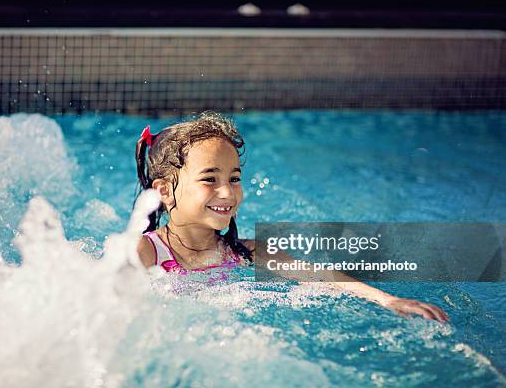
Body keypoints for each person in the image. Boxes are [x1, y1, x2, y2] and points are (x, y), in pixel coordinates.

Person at [134, 111, 449, 322]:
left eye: (234, 178)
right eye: (209, 179)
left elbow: (320, 277)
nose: (228, 193)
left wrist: (388, 300)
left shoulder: (248, 252)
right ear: (164, 190)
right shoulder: (146, 252)